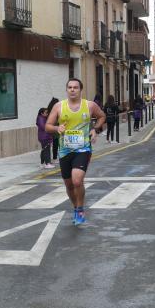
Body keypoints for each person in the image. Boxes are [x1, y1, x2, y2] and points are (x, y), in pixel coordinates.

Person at [45, 79, 106, 226]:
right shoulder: (59, 107)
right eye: (70, 87)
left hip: (83, 148)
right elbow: (47, 125)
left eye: (75, 87)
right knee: (69, 184)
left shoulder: (89, 105)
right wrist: (56, 129)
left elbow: (102, 116)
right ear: (66, 90)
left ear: (80, 90)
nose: (72, 90)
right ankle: (75, 207)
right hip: (65, 150)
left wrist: (95, 129)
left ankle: (80, 209)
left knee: (77, 180)